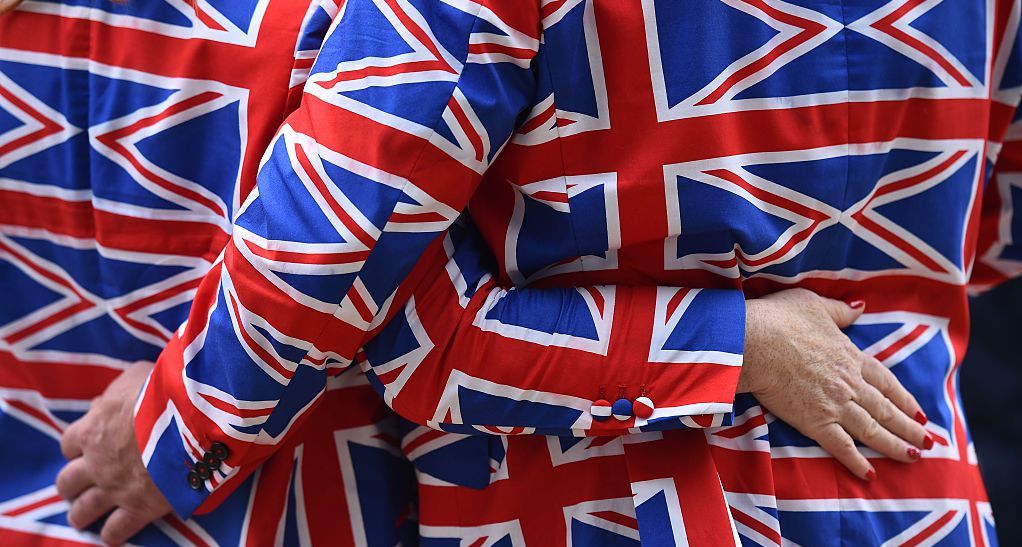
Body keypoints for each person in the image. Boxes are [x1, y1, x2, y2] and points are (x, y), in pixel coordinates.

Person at [55, 0, 1022, 545]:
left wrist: (179, 434)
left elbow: (353, 267)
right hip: (913, 498)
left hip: (604, 515)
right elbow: (993, 237)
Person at [0, 1, 417, 545]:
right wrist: (183, 428)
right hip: (305, 505)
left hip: (40, 499)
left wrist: (182, 427)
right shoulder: (366, 24)